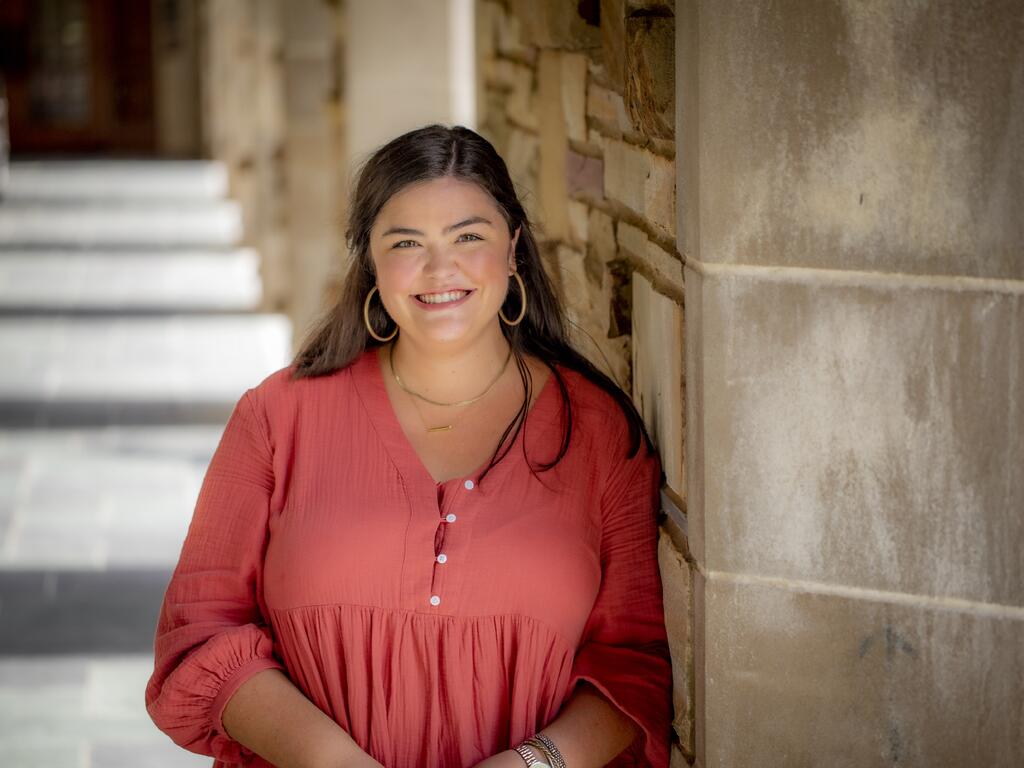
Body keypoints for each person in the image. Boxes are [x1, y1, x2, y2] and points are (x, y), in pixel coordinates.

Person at [145, 124, 673, 768]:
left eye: (468, 236)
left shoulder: (596, 432)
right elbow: (200, 634)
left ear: (513, 248)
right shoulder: (277, 417)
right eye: (406, 243)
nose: (439, 268)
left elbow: (633, 664)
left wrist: (533, 764)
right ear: (370, 260)